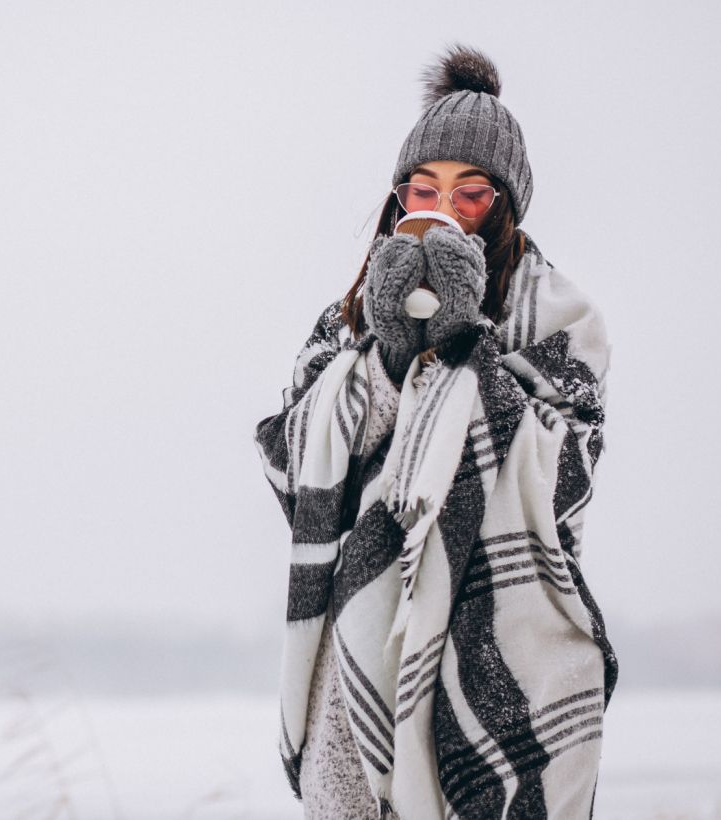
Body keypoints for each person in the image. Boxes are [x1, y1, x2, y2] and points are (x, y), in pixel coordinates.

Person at [253, 44, 618, 819]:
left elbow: (566, 479)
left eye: (472, 194)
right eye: (425, 189)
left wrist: (463, 343)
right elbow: (292, 467)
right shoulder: (346, 317)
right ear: (399, 199)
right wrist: (388, 356)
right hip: (358, 654)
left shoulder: (560, 320)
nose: (445, 209)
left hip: (504, 652)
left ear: (506, 204)